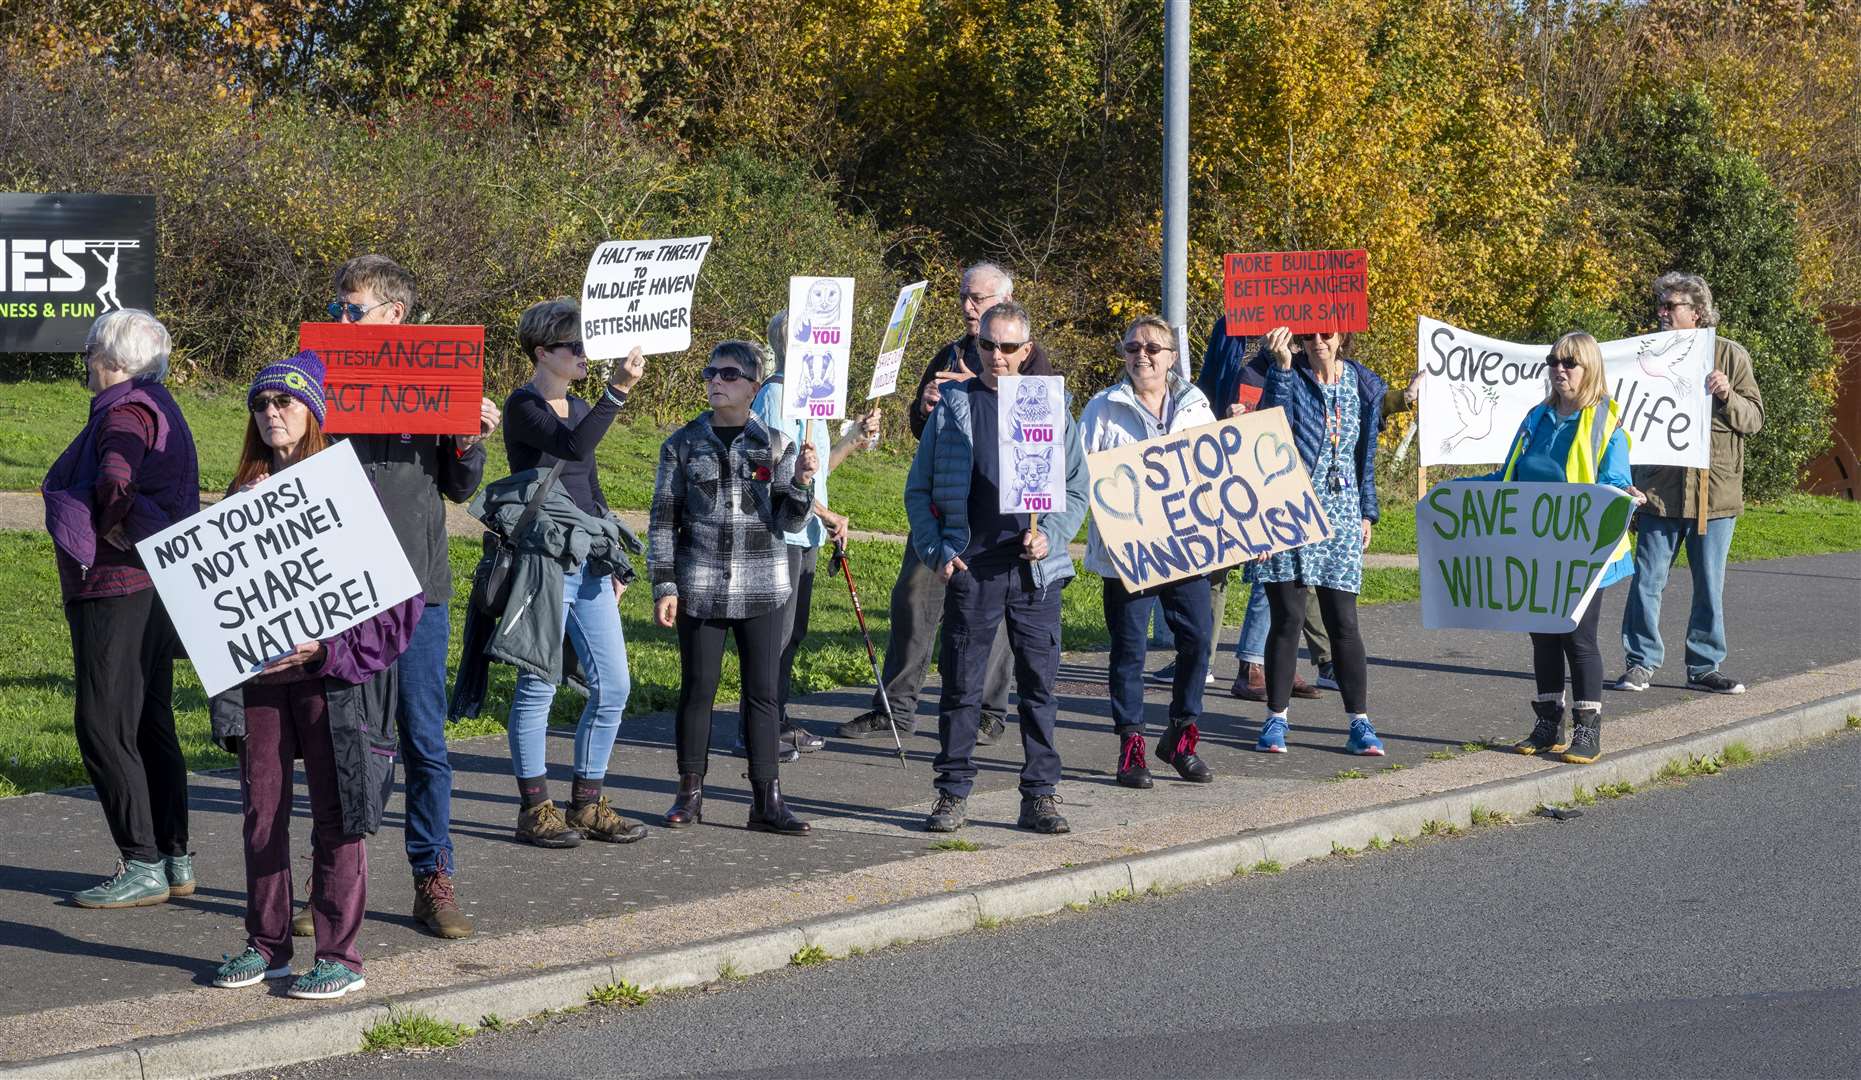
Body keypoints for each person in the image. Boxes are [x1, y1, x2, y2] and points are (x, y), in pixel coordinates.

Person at [208, 352, 423, 1001]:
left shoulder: (348, 491)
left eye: (286, 402)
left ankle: (340, 955)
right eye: (261, 404)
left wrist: (325, 648)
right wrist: (228, 529)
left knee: (338, 816)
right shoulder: (241, 492)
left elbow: (395, 604)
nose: (272, 413)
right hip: (263, 686)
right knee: (261, 815)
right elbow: (213, 603)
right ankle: (267, 945)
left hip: (332, 684)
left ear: (313, 414)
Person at [304, 255, 499, 939]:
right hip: (342, 584)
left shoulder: (439, 375)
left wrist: (471, 437)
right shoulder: (320, 376)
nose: (341, 319)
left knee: (423, 739)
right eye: (336, 309)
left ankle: (432, 877)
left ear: (395, 315)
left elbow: (459, 485)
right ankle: (327, 881)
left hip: (417, 588)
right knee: (339, 737)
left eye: (351, 309)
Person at [836, 262, 1052, 745]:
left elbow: (1043, 427)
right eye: (964, 297)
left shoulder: (1030, 357)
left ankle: (988, 712)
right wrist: (929, 405)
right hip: (945, 505)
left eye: (979, 298)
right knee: (913, 598)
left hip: (1002, 511)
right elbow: (920, 427)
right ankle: (894, 708)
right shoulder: (952, 351)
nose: (969, 307)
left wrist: (981, 396)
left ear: (1005, 302)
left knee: (993, 614)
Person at [911, 301, 1088, 834]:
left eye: (1009, 347)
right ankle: (952, 792)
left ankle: (1040, 794)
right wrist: (939, 551)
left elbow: (1076, 487)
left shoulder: (1050, 406)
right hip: (973, 565)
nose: (997, 356)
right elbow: (918, 491)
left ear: (1026, 351)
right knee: (962, 686)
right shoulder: (953, 406)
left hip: (1035, 569)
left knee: (1039, 687)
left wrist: (1051, 535)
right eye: (988, 345)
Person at [42, 309, 199, 908]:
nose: (85, 359)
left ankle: (141, 863)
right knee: (148, 718)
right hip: (157, 584)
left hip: (117, 585)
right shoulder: (160, 402)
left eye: (90, 350)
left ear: (113, 359)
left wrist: (109, 524)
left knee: (104, 722)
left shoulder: (125, 411)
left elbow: (115, 474)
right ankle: (174, 856)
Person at [650, 341, 820, 834]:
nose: (715, 381)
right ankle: (689, 793)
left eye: (728, 374)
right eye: (711, 373)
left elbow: (789, 520)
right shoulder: (681, 444)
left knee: (763, 693)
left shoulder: (778, 444)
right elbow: (663, 521)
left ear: (752, 386)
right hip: (699, 584)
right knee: (698, 690)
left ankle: (767, 799)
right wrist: (665, 584)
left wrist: (803, 483)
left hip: (762, 585)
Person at [499, 299, 648, 847]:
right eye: (575, 346)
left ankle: (587, 803)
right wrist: (618, 392)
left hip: (588, 559)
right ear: (543, 352)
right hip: (544, 560)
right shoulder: (524, 406)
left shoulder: (582, 404)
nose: (586, 354)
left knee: (614, 684)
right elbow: (571, 445)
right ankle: (535, 808)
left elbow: (590, 481)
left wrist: (614, 553)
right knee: (538, 682)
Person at [1469, 333, 1637, 763]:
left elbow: (1613, 481)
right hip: (1535, 546)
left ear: (1590, 369)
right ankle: (1548, 724)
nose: (1559, 369)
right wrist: (1457, 492)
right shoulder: (1536, 417)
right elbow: (1509, 476)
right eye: (1554, 361)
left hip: (1587, 551)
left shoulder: (1607, 422)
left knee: (1577, 638)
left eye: (1570, 363)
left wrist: (1625, 495)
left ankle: (1587, 730)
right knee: (1543, 637)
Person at [1080, 315, 1218, 788]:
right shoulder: (1102, 409)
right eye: (1133, 347)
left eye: (1153, 348)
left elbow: (1218, 475)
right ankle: (1131, 744)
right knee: (1130, 650)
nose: (1143, 355)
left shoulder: (1197, 405)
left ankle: (1180, 735)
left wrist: (1245, 532)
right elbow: (1080, 477)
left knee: (1199, 639)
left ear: (1172, 356)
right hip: (1129, 555)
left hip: (1186, 549)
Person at [1613, 272, 1764, 696]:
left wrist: (1728, 395)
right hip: (1658, 492)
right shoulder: (1643, 354)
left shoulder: (1730, 355)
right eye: (1660, 304)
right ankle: (1640, 663)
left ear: (1696, 312)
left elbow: (1754, 420)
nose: (1662, 312)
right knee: (1646, 580)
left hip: (1715, 495)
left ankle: (1704, 666)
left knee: (1709, 584)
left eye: (1671, 305)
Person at [1247, 325, 1388, 756]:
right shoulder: (1288, 371)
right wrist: (1282, 369)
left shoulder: (1364, 383)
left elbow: (1366, 455)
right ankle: (1276, 719)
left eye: (1325, 334)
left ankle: (1359, 722)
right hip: (1287, 505)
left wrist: (1367, 509)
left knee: (1343, 622)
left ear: (1342, 334)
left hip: (1341, 510)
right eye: (1307, 336)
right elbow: (1269, 429)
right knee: (1287, 618)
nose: (1317, 343)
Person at [752, 311, 883, 759]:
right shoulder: (777, 395)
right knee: (775, 635)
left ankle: (777, 717)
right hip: (781, 531)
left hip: (806, 533)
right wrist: (827, 513)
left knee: (794, 634)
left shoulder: (815, 402)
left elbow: (815, 471)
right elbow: (776, 473)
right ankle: (758, 727)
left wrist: (853, 440)